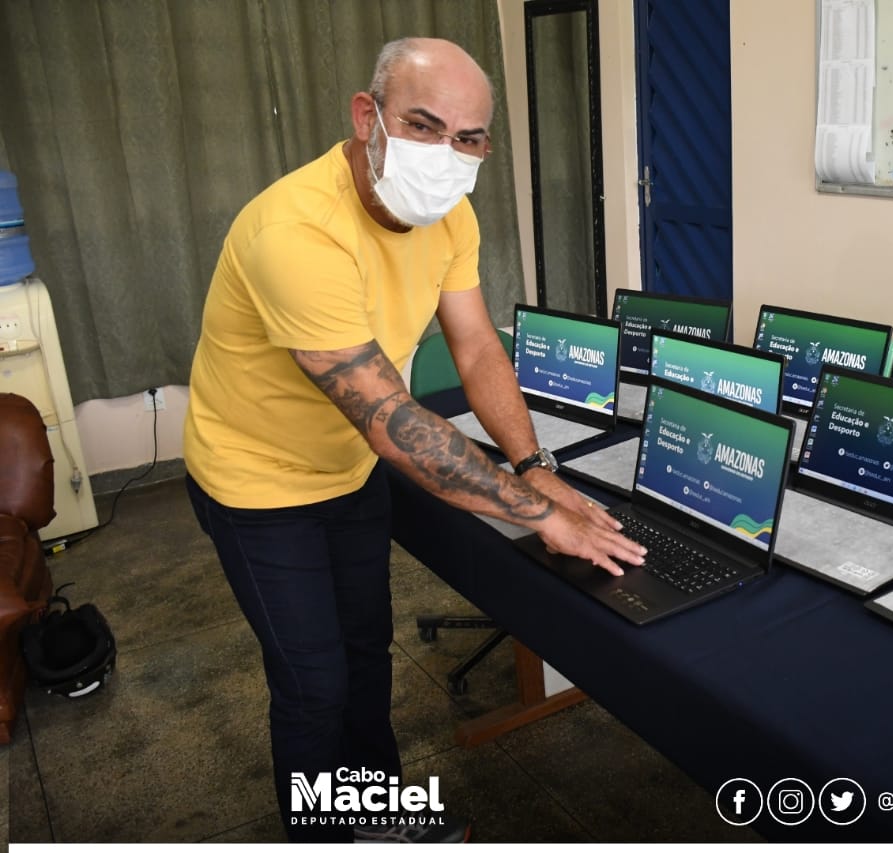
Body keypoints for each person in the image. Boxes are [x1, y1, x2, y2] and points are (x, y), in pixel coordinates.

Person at [182, 37, 644, 844]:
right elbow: (392, 421)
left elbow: (476, 346)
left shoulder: (449, 214)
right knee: (314, 684)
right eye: (424, 126)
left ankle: (377, 814)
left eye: (468, 137)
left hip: (348, 470)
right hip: (256, 483)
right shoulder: (295, 231)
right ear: (368, 117)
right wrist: (540, 512)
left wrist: (534, 465)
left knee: (366, 654)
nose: (444, 153)